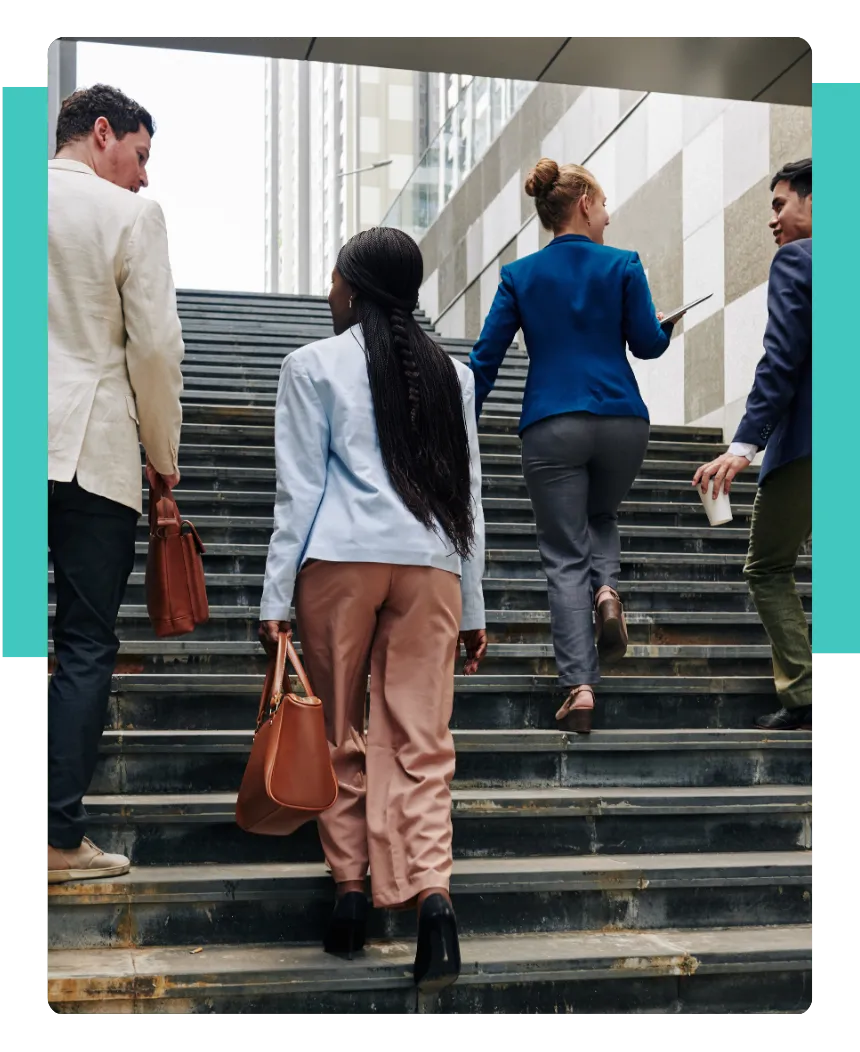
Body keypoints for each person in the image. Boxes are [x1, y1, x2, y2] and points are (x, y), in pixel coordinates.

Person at [258, 227, 487, 993]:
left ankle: (350, 893)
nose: (328, 292)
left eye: (333, 279)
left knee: (336, 730)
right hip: (432, 567)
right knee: (423, 741)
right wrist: (476, 603)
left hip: (339, 563)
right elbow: (469, 499)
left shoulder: (311, 365)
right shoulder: (451, 375)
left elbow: (299, 494)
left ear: (351, 287)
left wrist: (275, 598)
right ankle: (434, 901)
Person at [468, 158, 677, 734]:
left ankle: (580, 688)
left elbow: (483, 362)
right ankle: (607, 588)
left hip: (551, 422)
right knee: (602, 514)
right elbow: (648, 344)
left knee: (564, 556)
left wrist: (460, 424)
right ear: (583, 202)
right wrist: (666, 325)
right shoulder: (624, 264)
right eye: (604, 203)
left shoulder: (519, 276)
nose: (608, 216)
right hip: (622, 420)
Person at [47, 85, 185, 883]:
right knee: (85, 642)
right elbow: (157, 352)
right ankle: (61, 843)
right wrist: (163, 461)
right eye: (138, 155)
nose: (140, 177)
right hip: (90, 452)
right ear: (102, 133)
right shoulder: (129, 217)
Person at [692, 159, 812, 731]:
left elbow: (782, 362)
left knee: (767, 566)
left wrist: (743, 446)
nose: (772, 219)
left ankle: (805, 694)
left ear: (815, 205)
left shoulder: (799, 259)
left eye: (780, 204)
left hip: (813, 444)